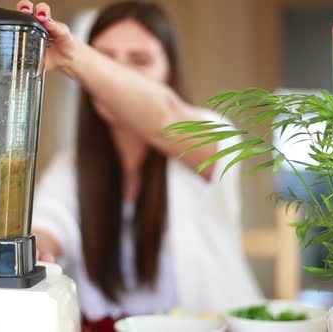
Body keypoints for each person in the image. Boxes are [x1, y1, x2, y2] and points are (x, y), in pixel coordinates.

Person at [17, 0, 263, 327]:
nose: (117, 75)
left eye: (140, 60)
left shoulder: (213, 136)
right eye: (106, 58)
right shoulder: (73, 164)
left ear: (169, 71)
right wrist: (34, 251)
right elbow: (46, 227)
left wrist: (75, 57)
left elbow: (165, 115)